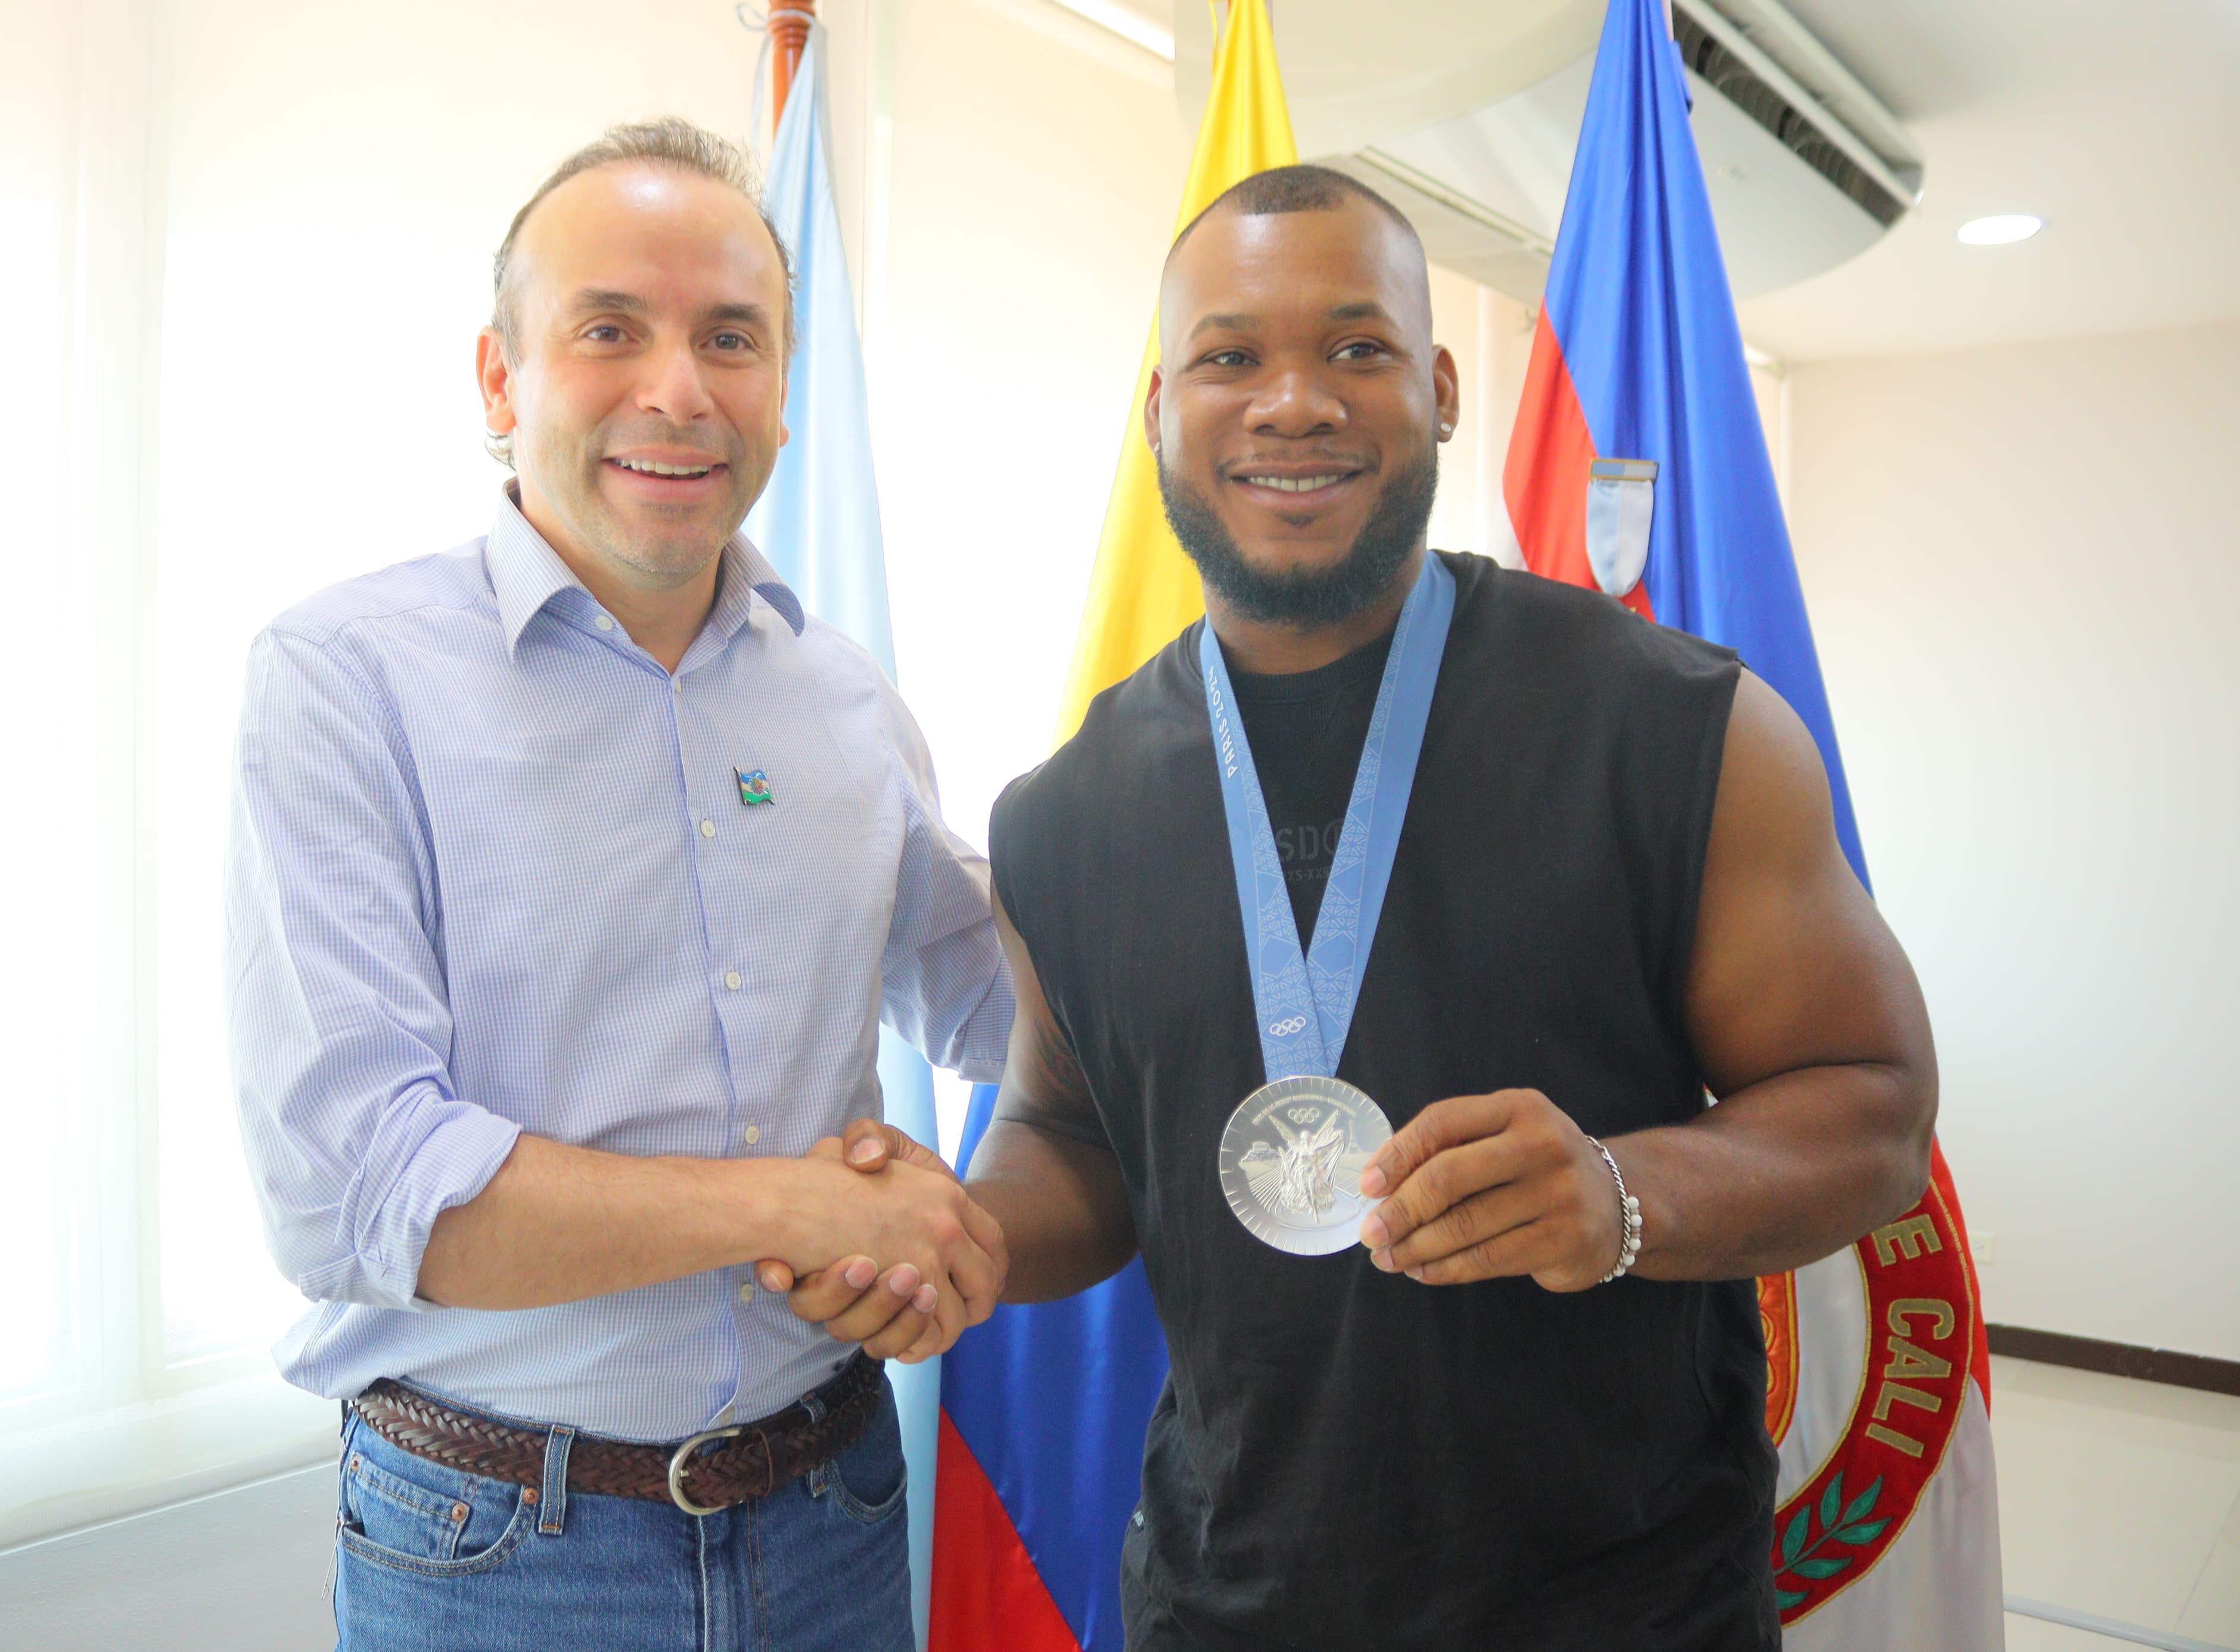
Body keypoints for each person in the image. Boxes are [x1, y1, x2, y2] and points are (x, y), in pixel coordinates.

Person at [779, 165, 1938, 1650]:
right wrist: (961, 1224)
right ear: (1158, 411)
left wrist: (1620, 1194)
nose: (1293, 402)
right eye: (1229, 356)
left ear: (1439, 389)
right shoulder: (1064, 813)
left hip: (1625, 1607)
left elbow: (1874, 1108)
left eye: (1355, 346)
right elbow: (1073, 1133)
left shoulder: (1669, 729)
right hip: (1226, 1602)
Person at [225, 119, 1006, 1652]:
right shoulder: (343, 677)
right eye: (608, 330)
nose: (679, 389)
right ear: (499, 379)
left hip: (837, 1509)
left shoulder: (845, 698)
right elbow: (357, 1186)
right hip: (504, 1552)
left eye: (731, 337)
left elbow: (999, 1001)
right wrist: (791, 1204)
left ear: (782, 387)